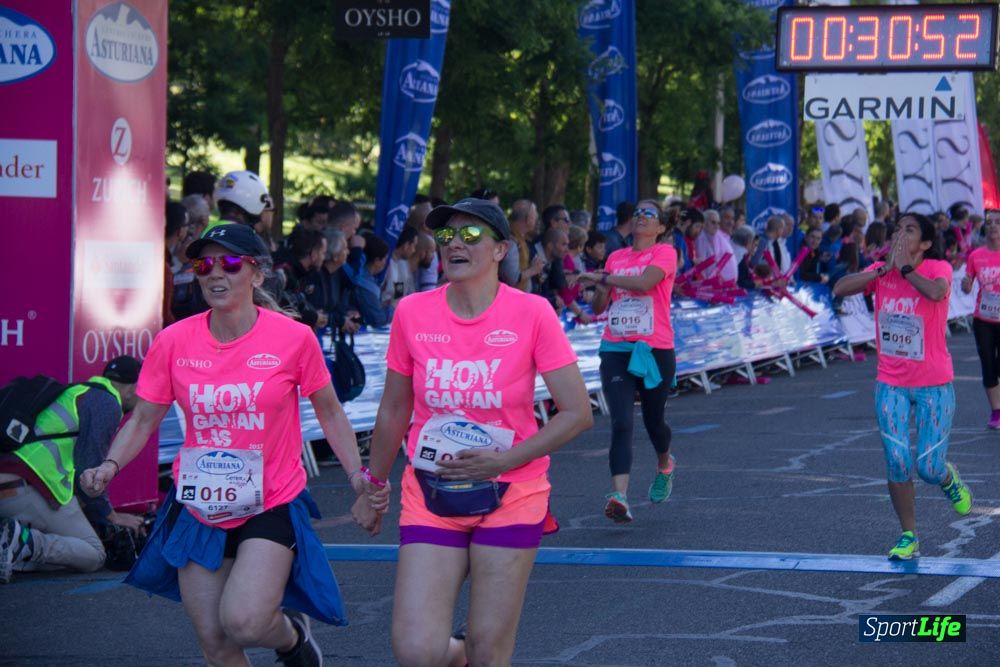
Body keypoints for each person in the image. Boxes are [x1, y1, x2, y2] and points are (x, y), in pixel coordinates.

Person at [78, 223, 387, 665]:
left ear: (257, 274)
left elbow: (330, 412)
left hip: (270, 499)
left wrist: (357, 475)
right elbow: (144, 418)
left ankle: (292, 638)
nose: (215, 273)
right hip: (199, 505)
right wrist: (109, 465)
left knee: (245, 621)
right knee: (216, 642)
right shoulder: (173, 341)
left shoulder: (293, 338)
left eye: (230, 262)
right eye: (204, 264)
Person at [364, 197, 592, 667]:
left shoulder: (532, 313)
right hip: (432, 491)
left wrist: (504, 460)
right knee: (416, 651)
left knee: (490, 650)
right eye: (446, 236)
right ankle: (456, 656)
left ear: (500, 250)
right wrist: (373, 485)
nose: (454, 244)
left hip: (511, 491)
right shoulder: (412, 312)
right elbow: (394, 408)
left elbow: (576, 412)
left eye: (470, 235)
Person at [833, 213, 972, 561]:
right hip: (891, 382)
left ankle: (947, 478)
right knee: (897, 461)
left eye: (909, 230)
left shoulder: (937, 267)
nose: (899, 234)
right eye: (897, 229)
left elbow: (938, 292)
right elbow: (840, 288)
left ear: (924, 243)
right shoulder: (881, 271)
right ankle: (909, 535)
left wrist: (906, 270)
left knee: (928, 467)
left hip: (933, 383)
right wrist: (882, 270)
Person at [0, 357, 145, 583]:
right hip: (29, 486)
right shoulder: (107, 402)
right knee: (93, 554)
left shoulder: (78, 392)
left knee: (65, 553)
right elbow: (90, 473)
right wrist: (112, 516)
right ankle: (21, 541)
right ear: (134, 388)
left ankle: (12, 549)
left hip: (13, 485)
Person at [579, 199, 678, 523]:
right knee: (621, 421)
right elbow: (598, 307)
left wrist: (604, 278)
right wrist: (601, 285)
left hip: (654, 348)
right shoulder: (616, 257)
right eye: (637, 213)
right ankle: (619, 495)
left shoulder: (665, 252)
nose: (641, 217)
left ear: (660, 226)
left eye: (649, 213)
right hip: (616, 347)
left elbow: (645, 283)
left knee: (654, 422)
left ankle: (665, 463)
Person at [962, 214, 1000, 428]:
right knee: (988, 363)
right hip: (983, 319)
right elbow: (967, 285)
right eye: (989, 222)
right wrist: (966, 284)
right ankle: (996, 412)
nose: (993, 226)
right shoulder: (976, 256)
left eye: (998, 222)